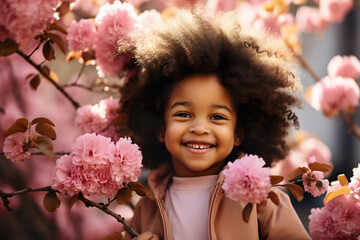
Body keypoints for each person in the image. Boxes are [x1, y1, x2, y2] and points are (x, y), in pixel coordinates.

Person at [121, 8, 311, 240]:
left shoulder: (262, 198)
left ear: (238, 133)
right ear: (161, 129)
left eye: (217, 117)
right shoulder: (146, 208)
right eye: (183, 114)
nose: (200, 128)